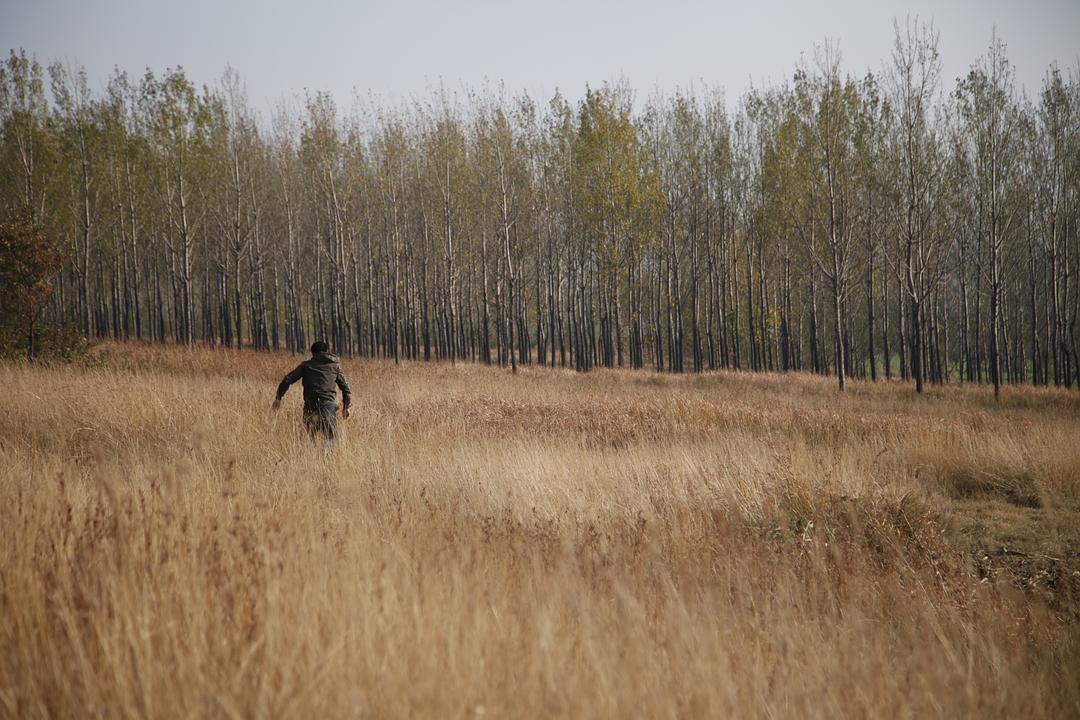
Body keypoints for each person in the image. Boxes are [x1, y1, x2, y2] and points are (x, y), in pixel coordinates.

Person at [272, 341, 351, 451]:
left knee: (310, 440)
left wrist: (278, 398)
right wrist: (345, 407)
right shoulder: (335, 366)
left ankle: (312, 461)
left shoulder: (306, 366)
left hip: (310, 407)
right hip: (327, 408)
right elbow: (346, 389)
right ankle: (325, 459)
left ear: (313, 353)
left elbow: (287, 380)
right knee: (330, 439)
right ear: (327, 352)